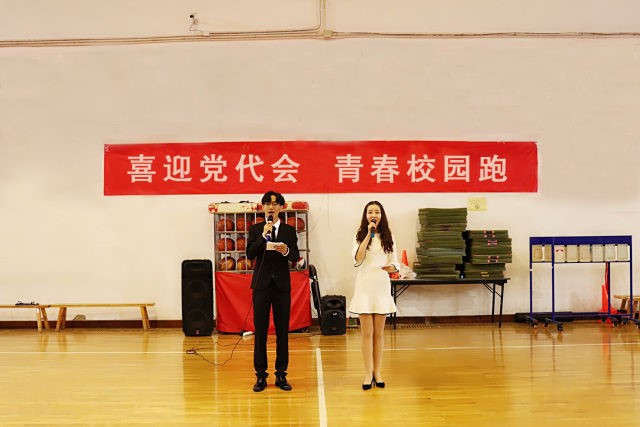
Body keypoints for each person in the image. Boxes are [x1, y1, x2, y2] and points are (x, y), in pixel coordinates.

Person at [246, 190, 300, 392]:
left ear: (281, 207)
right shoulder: (256, 229)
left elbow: (295, 255)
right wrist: (263, 236)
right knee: (260, 331)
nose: (271, 207)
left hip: (281, 286)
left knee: (282, 331)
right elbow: (250, 253)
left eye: (275, 204)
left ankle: (281, 374)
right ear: (263, 207)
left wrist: (286, 251)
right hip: (261, 285)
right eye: (268, 203)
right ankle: (260, 375)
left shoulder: (289, 230)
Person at [349, 201, 399, 390]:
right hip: (364, 286)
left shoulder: (389, 236)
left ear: (381, 215)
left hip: (381, 286)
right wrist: (367, 236)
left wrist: (392, 267)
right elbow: (358, 258)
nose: (373, 215)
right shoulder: (359, 235)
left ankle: (377, 372)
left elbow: (395, 262)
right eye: (370, 212)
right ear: (366, 216)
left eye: (377, 212)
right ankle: (367, 373)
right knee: (366, 334)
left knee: (378, 334)